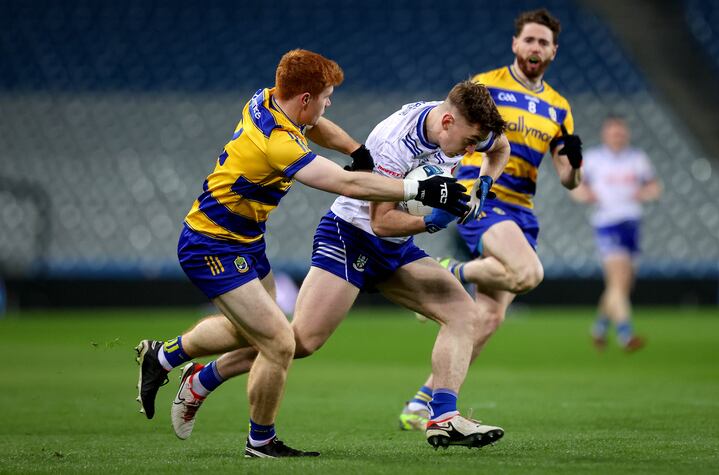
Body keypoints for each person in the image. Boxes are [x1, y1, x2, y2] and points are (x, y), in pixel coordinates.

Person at [135, 49, 473, 459]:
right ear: (306, 98)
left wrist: (357, 151)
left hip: (245, 238)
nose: (329, 103)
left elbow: (316, 126)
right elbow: (345, 186)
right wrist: (415, 190)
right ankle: (260, 442)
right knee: (280, 343)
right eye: (326, 96)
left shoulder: (267, 99)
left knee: (255, 331)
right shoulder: (278, 145)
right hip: (211, 244)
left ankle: (165, 356)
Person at [397, 8, 585, 431]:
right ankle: (453, 271)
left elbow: (568, 180)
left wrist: (575, 167)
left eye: (544, 42)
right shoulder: (486, 86)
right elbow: (453, 136)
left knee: (488, 317)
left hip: (523, 210)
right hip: (483, 195)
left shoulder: (559, 107)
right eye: (529, 40)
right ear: (515, 44)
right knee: (528, 272)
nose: (535, 47)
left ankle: (422, 402)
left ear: (554, 51)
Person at [570, 114, 662, 351]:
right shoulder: (594, 159)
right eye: (613, 132)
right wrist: (585, 195)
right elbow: (576, 185)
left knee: (622, 285)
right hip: (607, 223)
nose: (617, 136)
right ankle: (625, 334)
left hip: (631, 222)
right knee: (618, 279)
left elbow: (654, 185)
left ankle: (599, 327)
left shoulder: (637, 159)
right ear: (605, 134)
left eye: (620, 132)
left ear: (626, 134)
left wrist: (646, 193)